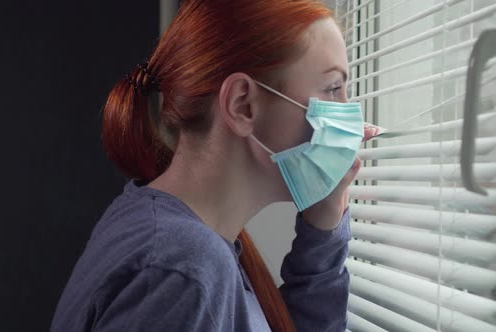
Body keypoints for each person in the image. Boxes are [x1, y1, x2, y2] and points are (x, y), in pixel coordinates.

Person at [51, 0, 381, 331]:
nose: (351, 115)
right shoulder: (181, 269)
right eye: (333, 88)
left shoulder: (176, 234)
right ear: (243, 105)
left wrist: (323, 224)